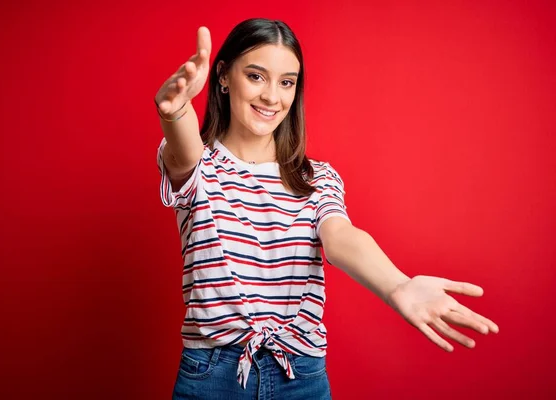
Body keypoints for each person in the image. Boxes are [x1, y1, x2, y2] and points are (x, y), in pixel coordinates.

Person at [154, 18, 499, 400]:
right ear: (223, 75)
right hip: (214, 376)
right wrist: (175, 110)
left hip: (300, 376)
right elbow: (183, 146)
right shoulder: (201, 168)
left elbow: (340, 237)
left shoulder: (316, 177)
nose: (272, 96)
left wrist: (397, 283)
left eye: (287, 82)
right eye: (256, 76)